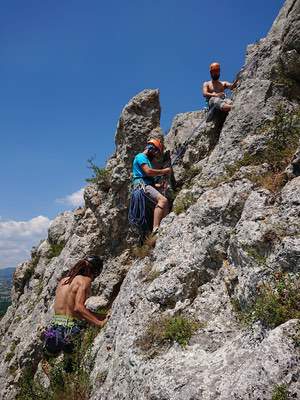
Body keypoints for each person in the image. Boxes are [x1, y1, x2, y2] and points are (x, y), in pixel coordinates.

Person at [43, 256, 108, 361]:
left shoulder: (64, 281)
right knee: (75, 361)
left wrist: (101, 316)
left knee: (50, 358)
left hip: (55, 326)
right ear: (95, 271)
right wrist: (99, 323)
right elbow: (78, 308)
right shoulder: (85, 281)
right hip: (70, 329)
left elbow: (71, 310)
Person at [132, 138, 172, 234]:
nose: (155, 155)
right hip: (142, 185)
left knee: (165, 204)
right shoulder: (140, 156)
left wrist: (159, 186)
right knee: (163, 200)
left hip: (145, 185)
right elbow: (148, 172)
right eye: (155, 152)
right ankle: (156, 228)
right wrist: (164, 171)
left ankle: (165, 224)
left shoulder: (146, 160)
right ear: (151, 148)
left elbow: (148, 179)